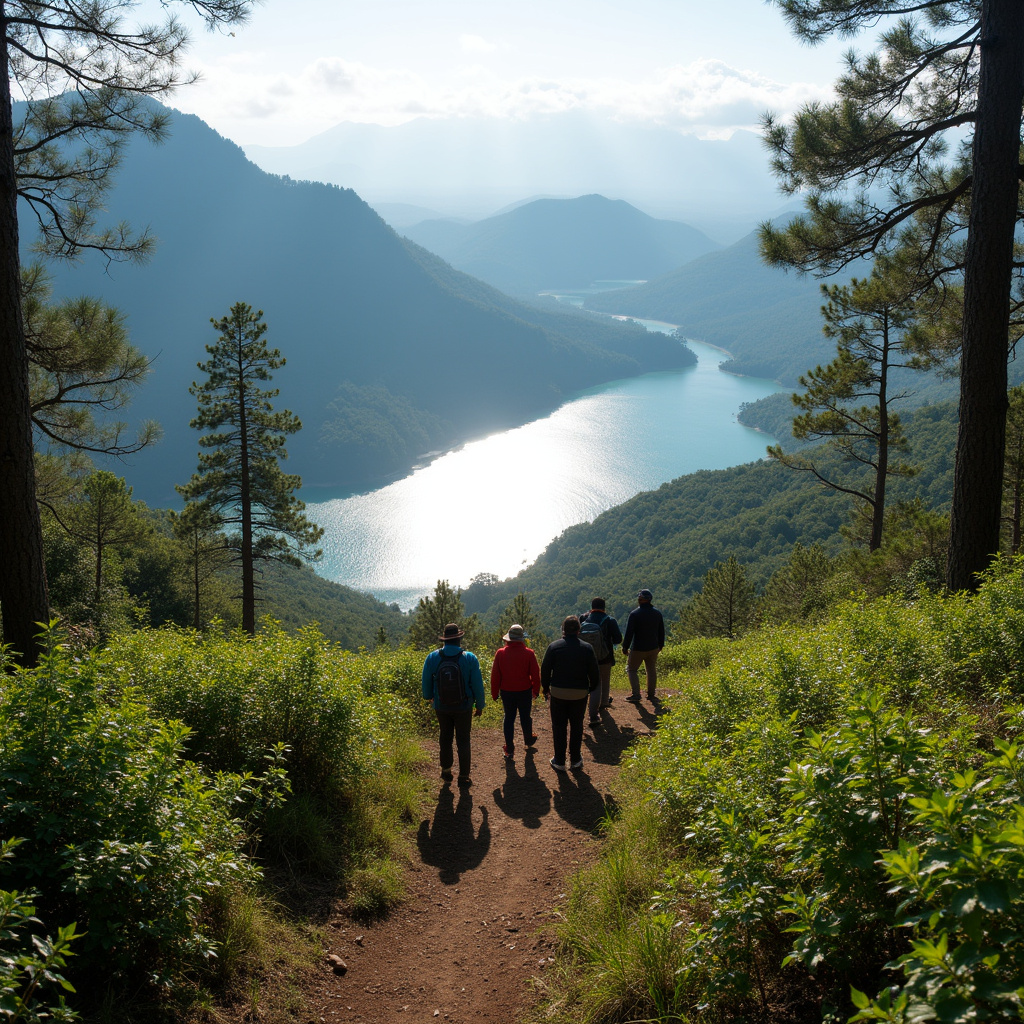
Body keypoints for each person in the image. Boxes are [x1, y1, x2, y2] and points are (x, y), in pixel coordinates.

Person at [422, 622, 485, 785]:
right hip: (464, 706)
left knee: (445, 737)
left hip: (441, 706)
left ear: (444, 640)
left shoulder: (433, 657)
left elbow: (426, 681)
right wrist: (479, 705)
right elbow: (477, 684)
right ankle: (464, 777)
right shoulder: (469, 657)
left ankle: (446, 771)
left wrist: (429, 696)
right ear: (459, 639)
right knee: (463, 739)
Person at [541, 615, 599, 772]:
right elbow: (594, 672)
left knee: (559, 726)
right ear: (579, 630)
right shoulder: (587, 648)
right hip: (579, 693)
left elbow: (545, 670)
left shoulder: (554, 647)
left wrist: (545, 689)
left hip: (558, 692)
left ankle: (559, 760)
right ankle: (575, 759)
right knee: (577, 725)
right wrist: (591, 688)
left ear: (563, 630)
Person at [490, 623, 541, 759]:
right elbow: (535, 674)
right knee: (525, 717)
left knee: (509, 719)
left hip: (507, 692)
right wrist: (535, 690)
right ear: (521, 639)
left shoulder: (500, 653)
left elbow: (495, 676)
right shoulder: (529, 653)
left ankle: (510, 749)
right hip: (524, 691)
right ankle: (528, 739)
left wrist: (494, 693)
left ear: (508, 639)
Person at [622, 589, 665, 703]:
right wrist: (661, 645)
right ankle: (651, 694)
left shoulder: (635, 614)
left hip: (638, 648)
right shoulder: (657, 613)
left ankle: (636, 694)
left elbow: (629, 633)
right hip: (653, 647)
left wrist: (625, 647)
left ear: (640, 600)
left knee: (631, 669)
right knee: (651, 670)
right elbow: (661, 631)